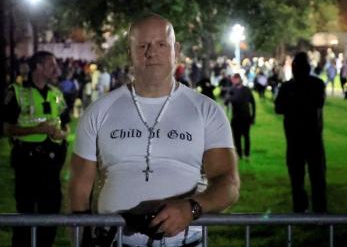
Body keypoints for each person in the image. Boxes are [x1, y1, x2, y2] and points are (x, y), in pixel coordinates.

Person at [70, 14, 240, 247]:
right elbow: (80, 186)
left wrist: (191, 208)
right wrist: (82, 238)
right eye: (142, 45)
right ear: (129, 51)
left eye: (162, 44)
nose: (152, 52)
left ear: (176, 50)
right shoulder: (99, 110)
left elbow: (228, 182)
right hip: (115, 240)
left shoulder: (206, 110)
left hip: (183, 242)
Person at [3, 51, 70, 247]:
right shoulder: (17, 92)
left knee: (51, 212)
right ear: (38, 67)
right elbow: (7, 128)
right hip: (27, 162)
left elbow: (66, 125)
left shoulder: (56, 94)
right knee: (27, 213)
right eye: (51, 65)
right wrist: (37, 130)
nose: (55, 69)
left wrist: (62, 134)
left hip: (52, 163)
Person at [275, 52, 327, 213]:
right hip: (309, 137)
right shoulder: (316, 84)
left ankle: (303, 207)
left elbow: (279, 107)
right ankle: (316, 208)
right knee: (314, 177)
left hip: (299, 137)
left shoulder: (289, 87)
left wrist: (293, 101)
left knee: (299, 177)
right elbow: (318, 103)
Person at [225, 73, 256, 159]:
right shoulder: (231, 90)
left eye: (236, 79)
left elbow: (253, 103)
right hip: (235, 118)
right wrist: (228, 98)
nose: (234, 80)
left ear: (239, 79)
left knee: (246, 136)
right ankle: (239, 154)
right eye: (233, 79)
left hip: (246, 117)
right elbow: (226, 102)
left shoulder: (247, 90)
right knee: (236, 137)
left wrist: (253, 117)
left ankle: (247, 154)